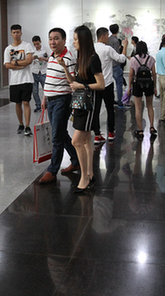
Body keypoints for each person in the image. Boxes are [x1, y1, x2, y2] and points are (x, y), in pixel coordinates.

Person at [59, 25, 105, 192]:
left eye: (76, 39)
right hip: (80, 103)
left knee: (76, 141)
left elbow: (101, 84)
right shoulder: (81, 59)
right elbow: (73, 82)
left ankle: (84, 177)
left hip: (89, 105)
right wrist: (65, 67)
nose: (74, 42)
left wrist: (82, 86)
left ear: (84, 40)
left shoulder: (93, 59)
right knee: (85, 140)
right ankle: (89, 173)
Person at [38, 28, 81, 184]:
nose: (53, 42)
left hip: (62, 100)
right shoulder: (52, 56)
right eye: (50, 39)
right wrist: (45, 97)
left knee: (56, 136)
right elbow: (49, 79)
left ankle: (52, 170)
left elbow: (73, 82)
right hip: (51, 100)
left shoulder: (68, 58)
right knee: (61, 133)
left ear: (64, 40)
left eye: (56, 38)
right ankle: (75, 160)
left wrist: (64, 66)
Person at [93, 27, 128, 143]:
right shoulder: (107, 49)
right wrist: (125, 46)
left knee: (96, 110)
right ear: (103, 36)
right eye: (107, 36)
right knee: (110, 109)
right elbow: (121, 59)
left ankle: (97, 134)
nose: (108, 38)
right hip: (106, 83)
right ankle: (111, 132)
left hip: (95, 84)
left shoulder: (91, 48)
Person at [3, 24, 35, 136]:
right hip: (14, 81)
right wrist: (21, 65)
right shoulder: (8, 49)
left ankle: (27, 126)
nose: (16, 34)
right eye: (14, 32)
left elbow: (29, 60)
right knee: (18, 103)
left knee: (26, 102)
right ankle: (21, 124)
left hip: (26, 79)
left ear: (21, 33)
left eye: (18, 32)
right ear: (11, 34)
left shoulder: (27, 46)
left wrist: (15, 63)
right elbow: (7, 65)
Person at [128, 41, 157, 138]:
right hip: (149, 83)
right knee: (150, 106)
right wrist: (155, 86)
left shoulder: (133, 59)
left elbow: (131, 74)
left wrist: (129, 87)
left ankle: (140, 130)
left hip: (137, 84)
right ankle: (152, 127)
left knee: (138, 108)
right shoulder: (151, 59)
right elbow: (154, 73)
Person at [31, 35, 50, 113]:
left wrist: (44, 59)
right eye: (35, 44)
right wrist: (32, 58)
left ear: (40, 42)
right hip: (34, 72)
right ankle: (38, 105)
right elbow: (29, 61)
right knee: (35, 91)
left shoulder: (46, 49)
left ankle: (47, 104)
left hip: (43, 72)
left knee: (46, 90)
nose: (36, 46)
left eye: (37, 44)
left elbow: (51, 59)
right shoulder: (32, 51)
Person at [108, 24, 125, 107]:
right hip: (115, 64)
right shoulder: (116, 41)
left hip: (109, 64)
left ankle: (111, 100)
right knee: (119, 83)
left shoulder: (108, 39)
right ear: (118, 30)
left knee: (110, 83)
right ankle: (120, 101)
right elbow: (117, 54)